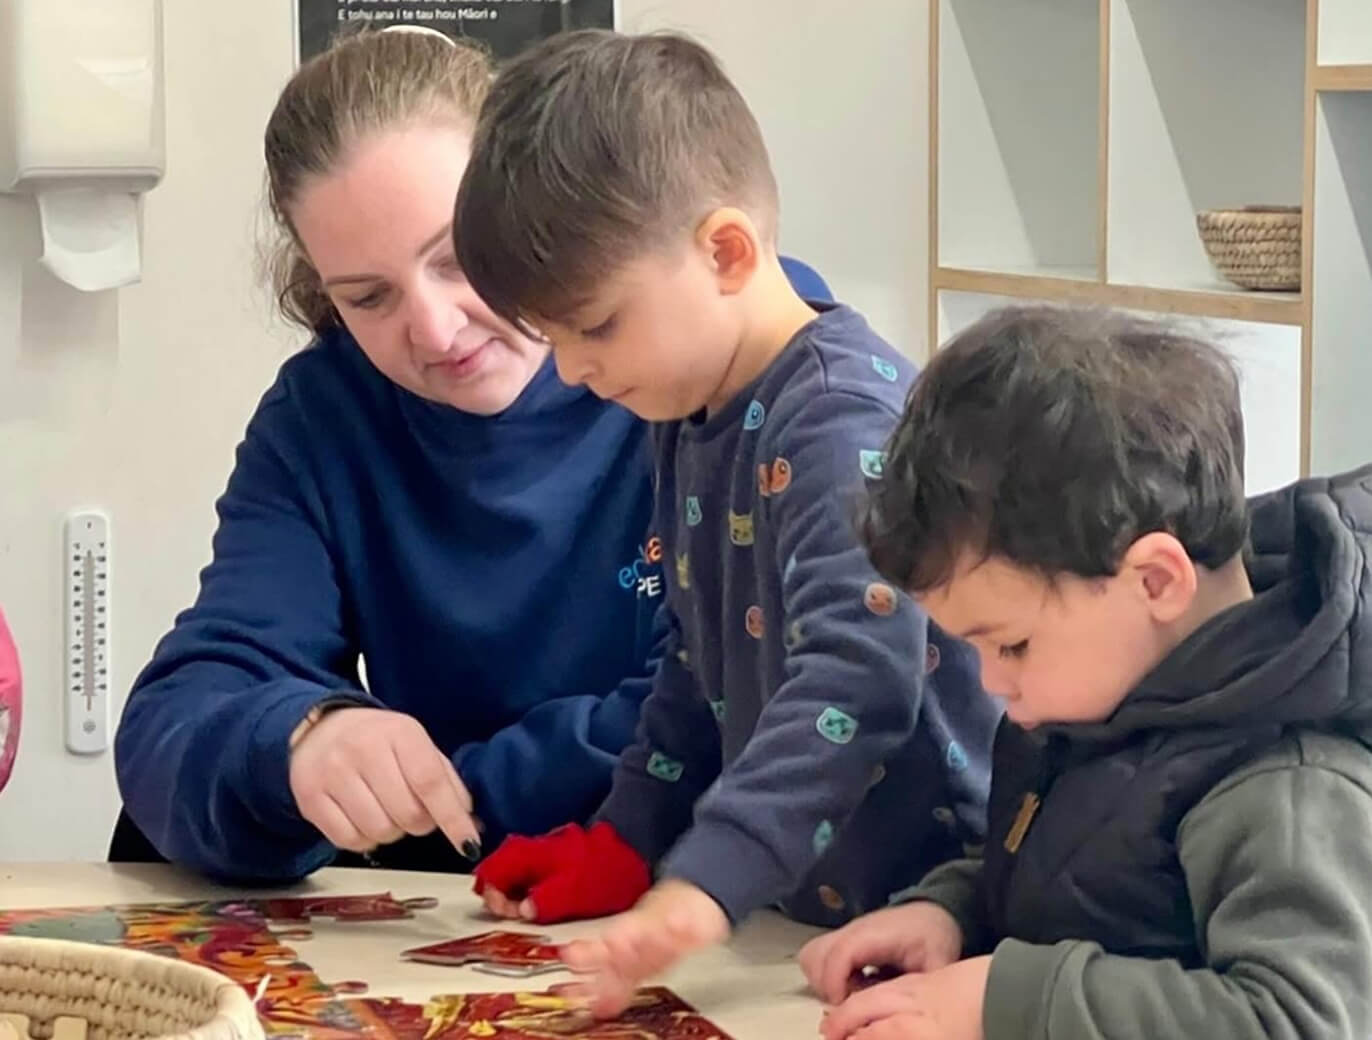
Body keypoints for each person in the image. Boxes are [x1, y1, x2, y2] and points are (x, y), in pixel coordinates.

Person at [455, 29, 1000, 1017]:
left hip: (938, 914)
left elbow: (859, 675)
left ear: (726, 251)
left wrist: (703, 883)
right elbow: (697, 660)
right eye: (554, 338)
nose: (571, 371)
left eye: (596, 326)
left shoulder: (842, 422)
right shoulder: (689, 406)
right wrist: (625, 835)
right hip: (804, 929)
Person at [111, 28, 675, 883]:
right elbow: (178, 719)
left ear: (531, 201)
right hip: (464, 918)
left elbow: (721, 707)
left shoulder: (711, 356)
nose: (436, 330)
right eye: (369, 298)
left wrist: (435, 806)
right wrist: (304, 737)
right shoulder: (324, 417)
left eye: (458, 259)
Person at [801, 304, 1372, 1040]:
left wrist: (1007, 999)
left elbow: (1297, 1022)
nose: (991, 684)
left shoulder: (1288, 785)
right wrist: (951, 910)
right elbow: (1079, 879)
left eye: (1010, 646)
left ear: (1156, 582)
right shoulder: (1106, 695)